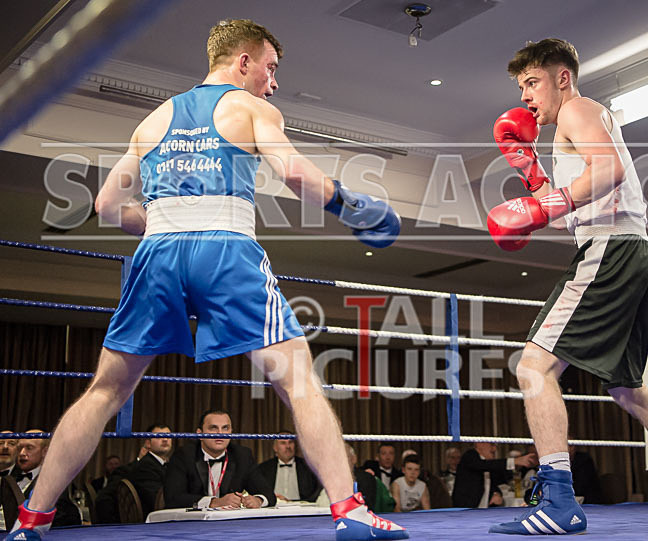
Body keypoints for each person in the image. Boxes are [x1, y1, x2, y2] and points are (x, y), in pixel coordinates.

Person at [6, 18, 405, 541]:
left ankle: (30, 521)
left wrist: (161, 224)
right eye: (270, 67)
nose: (274, 81)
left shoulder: (152, 120)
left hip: (157, 254)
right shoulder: (251, 107)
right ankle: (351, 515)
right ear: (243, 61)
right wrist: (348, 204)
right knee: (299, 382)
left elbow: (106, 206)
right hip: (226, 249)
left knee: (106, 390)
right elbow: (295, 175)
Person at [486, 38, 648, 535]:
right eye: (521, 87)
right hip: (633, 251)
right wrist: (533, 175)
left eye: (533, 82)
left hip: (611, 250)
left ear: (563, 77)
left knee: (535, 366)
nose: (526, 96)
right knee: (625, 387)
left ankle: (559, 500)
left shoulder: (579, 107)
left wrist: (543, 205)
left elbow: (611, 169)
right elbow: (572, 212)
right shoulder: (572, 130)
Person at [164, 409, 273, 509]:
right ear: (200, 434)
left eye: (225, 428)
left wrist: (258, 500)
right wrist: (214, 502)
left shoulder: (243, 455)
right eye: (213, 428)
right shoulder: (184, 455)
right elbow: (173, 498)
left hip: (231, 525)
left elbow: (268, 494)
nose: (220, 433)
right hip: (191, 524)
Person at [452, 442, 535, 508]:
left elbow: (495, 484)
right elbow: (482, 465)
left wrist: (497, 493)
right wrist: (514, 461)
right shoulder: (470, 455)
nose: (495, 449)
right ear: (479, 444)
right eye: (492, 444)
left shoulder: (488, 465)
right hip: (465, 509)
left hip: (482, 511)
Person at [258, 431, 322, 502]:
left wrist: (292, 502)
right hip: (272, 510)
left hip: (301, 509)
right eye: (283, 443)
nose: (288, 446)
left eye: (290, 442)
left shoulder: (309, 466)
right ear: (275, 448)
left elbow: (316, 494)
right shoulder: (263, 468)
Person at [129, 424, 172, 516]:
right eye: (159, 436)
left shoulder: (169, 464)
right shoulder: (145, 466)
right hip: (152, 521)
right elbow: (157, 501)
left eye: (168, 436)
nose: (165, 439)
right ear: (148, 443)